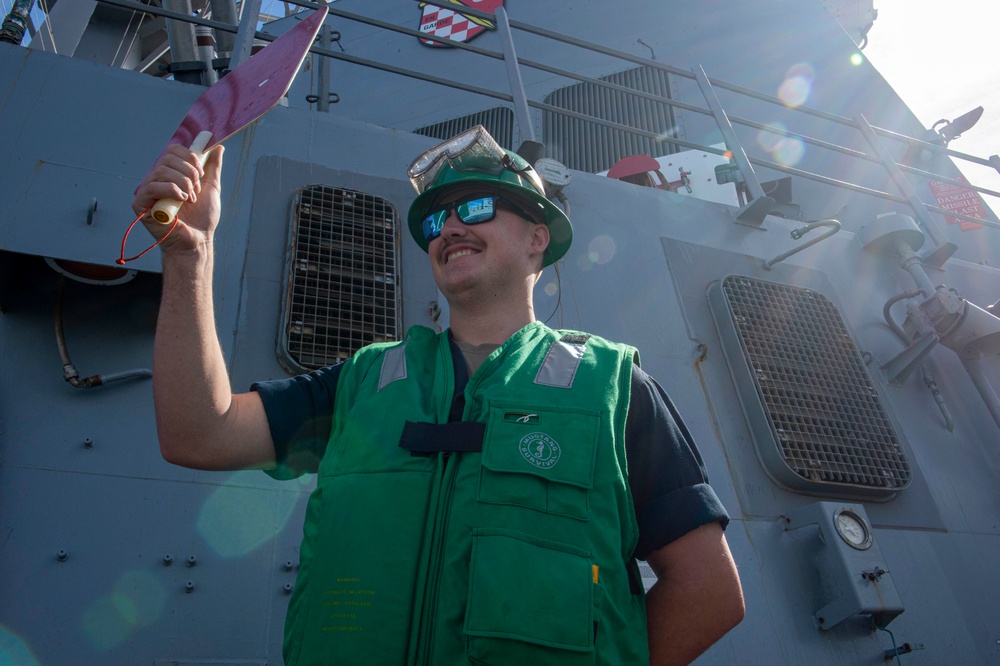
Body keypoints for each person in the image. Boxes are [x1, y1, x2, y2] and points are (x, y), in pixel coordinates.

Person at [131, 125, 744, 665]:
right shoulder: (360, 383)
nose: (448, 226)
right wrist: (191, 255)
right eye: (433, 221)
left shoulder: (615, 389)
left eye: (475, 207)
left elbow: (708, 590)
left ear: (537, 238)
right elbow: (198, 434)